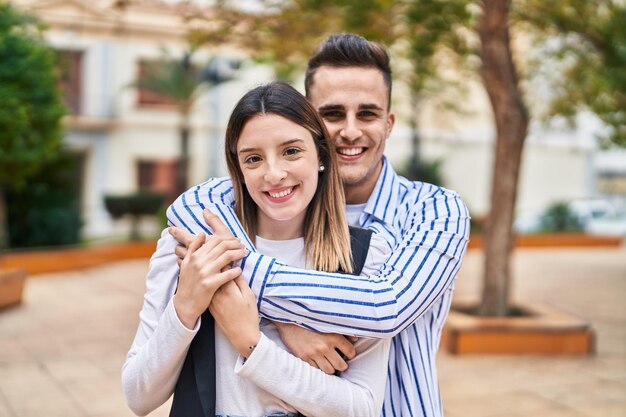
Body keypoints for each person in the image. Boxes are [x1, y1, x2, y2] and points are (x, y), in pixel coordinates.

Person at [169, 34, 470, 417]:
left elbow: (387, 305)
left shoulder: (435, 210)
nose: (349, 131)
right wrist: (288, 327)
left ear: (389, 123)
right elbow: (190, 205)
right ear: (307, 122)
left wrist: (256, 293)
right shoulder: (272, 200)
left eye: (367, 114)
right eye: (331, 114)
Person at [122, 82, 391, 417]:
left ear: (321, 156)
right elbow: (138, 396)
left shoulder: (366, 255)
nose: (274, 174)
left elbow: (361, 408)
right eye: (254, 159)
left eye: (291, 151)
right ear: (238, 168)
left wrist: (253, 342)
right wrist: (186, 306)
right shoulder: (190, 246)